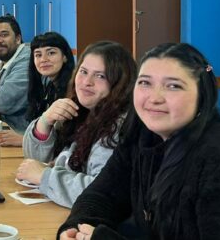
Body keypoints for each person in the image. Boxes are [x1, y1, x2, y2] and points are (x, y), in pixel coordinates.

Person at [58, 43, 220, 240]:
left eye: (173, 86)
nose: (154, 98)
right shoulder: (141, 132)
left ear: (202, 95)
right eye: (145, 83)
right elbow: (103, 193)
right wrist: (75, 227)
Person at [17, 41, 135, 207]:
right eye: (84, 72)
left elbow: (100, 191)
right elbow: (34, 160)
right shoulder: (80, 110)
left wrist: (44, 176)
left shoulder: (117, 127)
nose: (87, 82)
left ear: (119, 84)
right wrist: (45, 120)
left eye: (100, 76)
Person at [0, 31, 75, 147]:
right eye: (38, 55)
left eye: (51, 53)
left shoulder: (74, 88)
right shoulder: (50, 85)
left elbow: (68, 140)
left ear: (65, 57)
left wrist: (24, 140)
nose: (43, 59)